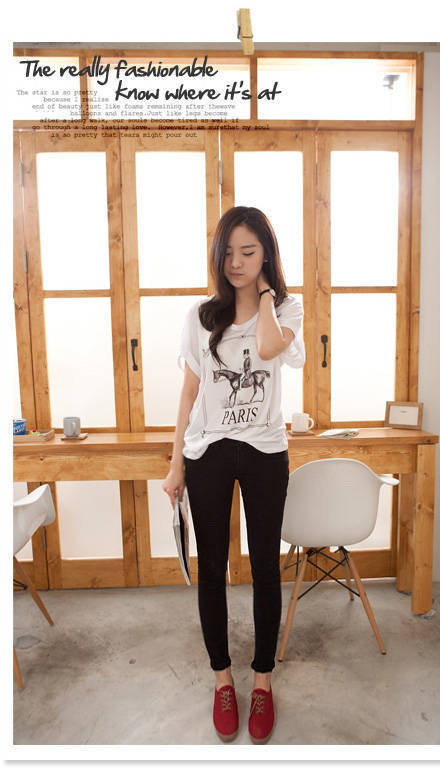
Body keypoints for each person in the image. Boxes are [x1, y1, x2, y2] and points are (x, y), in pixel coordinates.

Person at [162, 205, 305, 744]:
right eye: (228, 253)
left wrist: (265, 294)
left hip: (265, 451)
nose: (236, 262)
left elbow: (267, 348)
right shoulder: (201, 316)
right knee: (213, 567)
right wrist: (175, 463)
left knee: (266, 566)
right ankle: (223, 679)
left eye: (248, 251)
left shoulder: (286, 309)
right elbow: (189, 393)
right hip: (210, 452)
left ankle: (262, 680)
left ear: (266, 254)